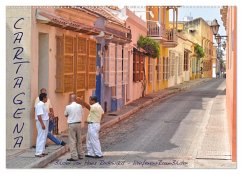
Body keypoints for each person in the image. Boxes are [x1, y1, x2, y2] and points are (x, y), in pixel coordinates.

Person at [64, 94, 84, 161]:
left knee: (72, 140)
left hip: (71, 124)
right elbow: (82, 113)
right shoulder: (80, 106)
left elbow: (65, 115)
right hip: (78, 124)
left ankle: (74, 156)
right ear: (76, 99)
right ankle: (81, 154)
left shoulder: (68, 107)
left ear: (70, 99)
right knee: (79, 140)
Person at [35, 93, 49, 157]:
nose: (47, 98)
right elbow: (39, 116)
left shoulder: (43, 104)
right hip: (41, 122)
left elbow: (44, 114)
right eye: (46, 97)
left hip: (45, 121)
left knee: (44, 136)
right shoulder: (40, 105)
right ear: (43, 98)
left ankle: (42, 151)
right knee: (41, 136)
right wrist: (42, 124)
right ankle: (38, 152)